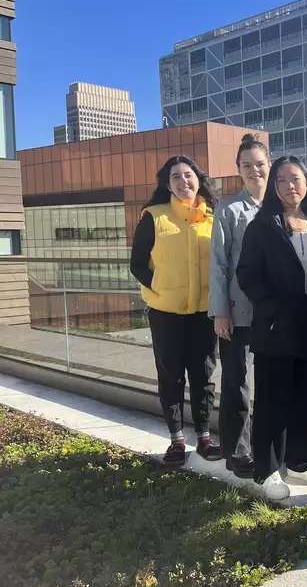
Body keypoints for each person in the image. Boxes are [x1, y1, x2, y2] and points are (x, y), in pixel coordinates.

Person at [237, 156, 307, 500]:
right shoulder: (262, 226)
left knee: (304, 397)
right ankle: (267, 469)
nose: (290, 186)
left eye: (296, 179)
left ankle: (300, 461)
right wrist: (271, 307)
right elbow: (246, 273)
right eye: (282, 181)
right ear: (274, 188)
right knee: (273, 400)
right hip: (275, 327)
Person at [130, 155, 222, 467]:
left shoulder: (213, 217)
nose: (184, 182)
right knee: (171, 377)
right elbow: (138, 264)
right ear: (166, 184)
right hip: (165, 312)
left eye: (188, 175)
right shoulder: (154, 216)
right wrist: (162, 287)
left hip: (203, 313)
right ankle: (177, 440)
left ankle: (205, 438)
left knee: (203, 375)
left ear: (199, 179)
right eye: (176, 177)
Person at [207, 134, 269, 478]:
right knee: (237, 384)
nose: (254, 170)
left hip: (272, 315)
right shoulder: (229, 209)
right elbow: (218, 263)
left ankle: (266, 446)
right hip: (237, 311)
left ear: (268, 165)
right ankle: (237, 450)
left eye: (259, 164)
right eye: (247, 165)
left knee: (270, 385)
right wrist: (220, 311)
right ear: (238, 170)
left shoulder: (281, 205)